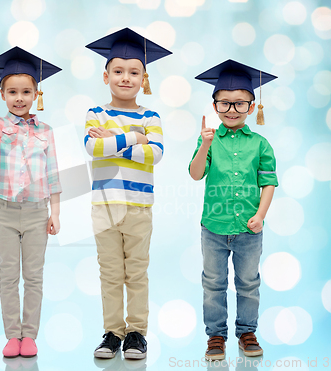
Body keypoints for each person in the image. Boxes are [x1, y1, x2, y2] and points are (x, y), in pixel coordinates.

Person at [0, 46, 62, 358]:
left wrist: (55, 213)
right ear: (2, 94)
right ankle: (12, 335)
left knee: (34, 275)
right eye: (12, 92)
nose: (19, 98)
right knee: (8, 273)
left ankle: (29, 335)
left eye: (26, 91)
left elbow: (54, 175)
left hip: (36, 212)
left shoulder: (46, 131)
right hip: (4, 212)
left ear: (36, 93)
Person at [84, 28, 171, 359]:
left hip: (138, 207)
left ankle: (136, 333)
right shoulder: (96, 113)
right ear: (106, 75)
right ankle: (112, 333)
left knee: (136, 271)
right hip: (104, 206)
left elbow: (157, 154)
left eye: (134, 72)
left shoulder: (152, 116)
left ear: (144, 78)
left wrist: (115, 139)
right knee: (109, 272)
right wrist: (136, 138)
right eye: (118, 71)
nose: (125, 78)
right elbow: (95, 148)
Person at [189, 59, 278, 360]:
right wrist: (203, 145)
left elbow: (268, 183)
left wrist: (261, 215)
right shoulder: (210, 141)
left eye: (240, 104)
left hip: (249, 229)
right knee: (213, 283)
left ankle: (247, 332)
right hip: (214, 227)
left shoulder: (261, 144)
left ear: (252, 107)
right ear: (215, 106)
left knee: (248, 282)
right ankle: (216, 336)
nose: (231, 110)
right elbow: (195, 173)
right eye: (224, 104)